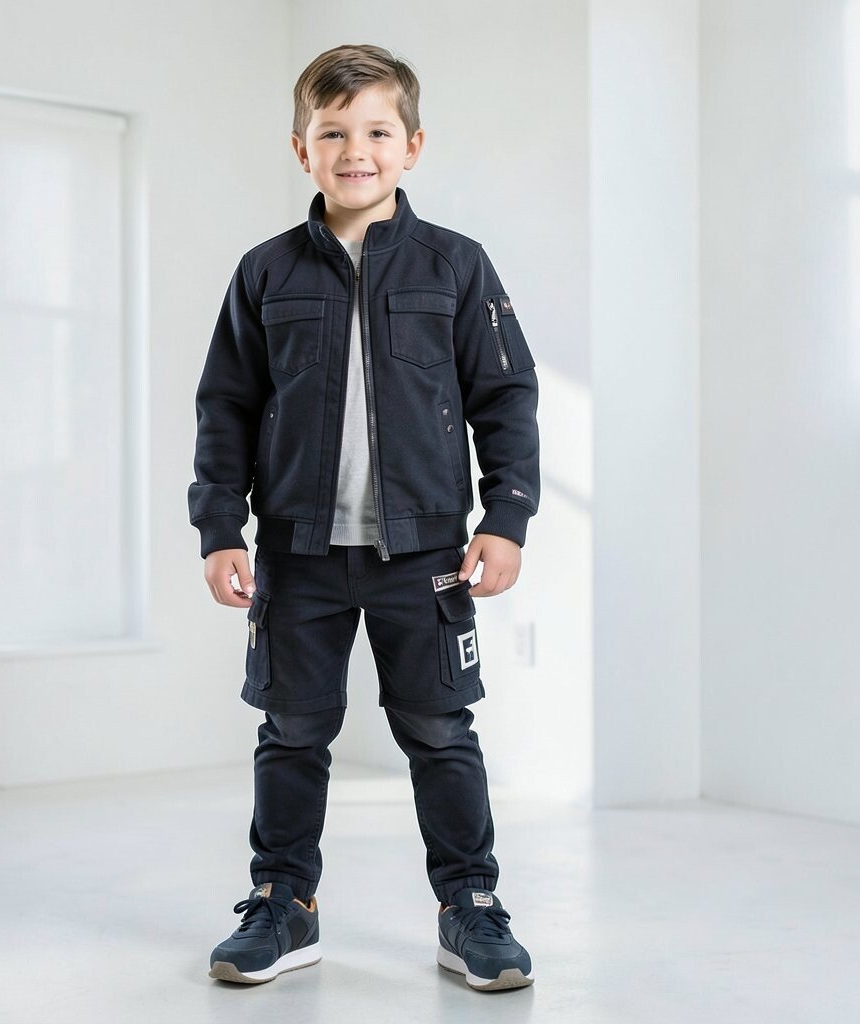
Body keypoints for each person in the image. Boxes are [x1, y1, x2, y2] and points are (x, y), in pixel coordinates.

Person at [187, 43, 540, 992]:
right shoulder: (265, 273)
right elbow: (224, 407)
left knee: (440, 730)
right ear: (301, 149)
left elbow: (506, 397)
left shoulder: (456, 266)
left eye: (377, 132)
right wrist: (220, 529)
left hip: (423, 554)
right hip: (297, 554)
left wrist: (506, 516)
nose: (356, 151)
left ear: (411, 146)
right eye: (333, 132)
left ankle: (469, 906)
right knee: (292, 731)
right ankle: (283, 904)